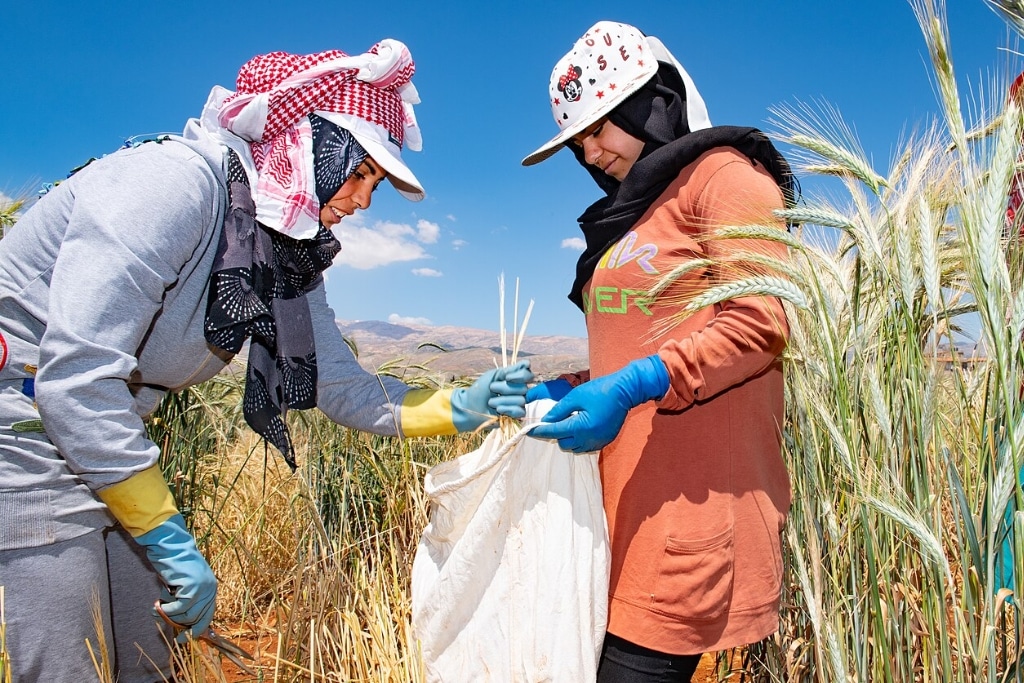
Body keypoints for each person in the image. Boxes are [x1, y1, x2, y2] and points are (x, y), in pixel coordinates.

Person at [0, 41, 531, 682]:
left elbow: (343, 386)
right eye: (361, 173)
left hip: (109, 436)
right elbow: (75, 380)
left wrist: (460, 406)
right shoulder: (170, 187)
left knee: (147, 658)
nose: (364, 201)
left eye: (376, 185)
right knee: (68, 667)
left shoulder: (284, 249)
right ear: (310, 142)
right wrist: (168, 537)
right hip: (27, 432)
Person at [522, 21, 795, 682]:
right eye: (577, 141)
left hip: (691, 520)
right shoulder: (634, 213)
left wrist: (633, 384)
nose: (589, 153)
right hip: (621, 516)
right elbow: (651, 336)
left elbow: (762, 321)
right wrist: (580, 381)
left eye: (599, 127)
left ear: (650, 101)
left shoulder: (727, 178)